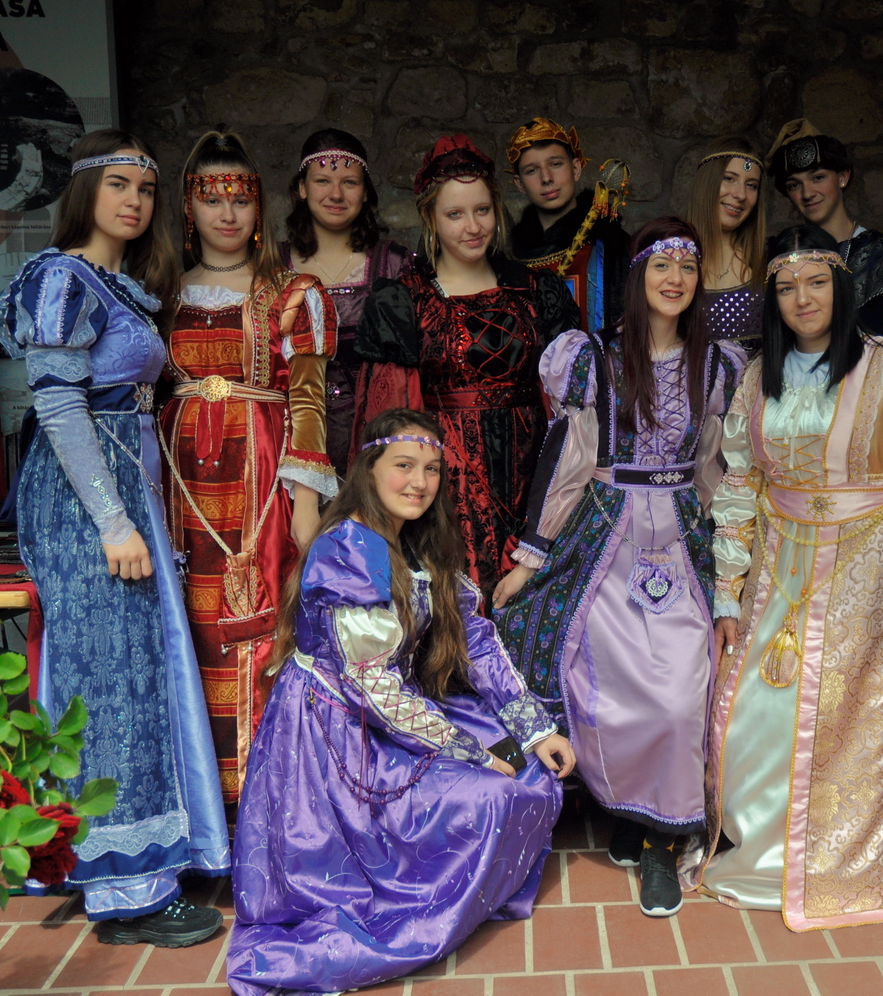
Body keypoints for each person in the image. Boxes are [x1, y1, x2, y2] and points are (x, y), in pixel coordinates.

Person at [226, 409, 575, 995]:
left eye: (432, 469)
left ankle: (459, 886)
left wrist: (535, 729)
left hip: (394, 711)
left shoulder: (418, 537)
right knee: (491, 792)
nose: (419, 482)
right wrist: (468, 751)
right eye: (404, 466)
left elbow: (476, 640)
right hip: (337, 735)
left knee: (532, 770)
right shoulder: (347, 549)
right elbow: (371, 685)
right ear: (369, 468)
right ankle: (423, 898)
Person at [693, 225, 883, 929]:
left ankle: (838, 855)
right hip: (780, 561)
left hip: (868, 561)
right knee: (760, 705)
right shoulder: (760, 376)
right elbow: (740, 484)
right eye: (786, 288)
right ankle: (765, 849)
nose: (803, 299)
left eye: (817, 282)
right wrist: (729, 587)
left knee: (848, 711)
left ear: (842, 287)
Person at [0, 130, 227, 945]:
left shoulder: (114, 284)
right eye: (118, 184)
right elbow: (59, 409)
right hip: (87, 509)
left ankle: (143, 865)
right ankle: (125, 891)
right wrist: (114, 523)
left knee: (133, 675)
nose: (134, 201)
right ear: (84, 191)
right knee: (109, 682)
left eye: (146, 188)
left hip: (125, 497)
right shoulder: (60, 277)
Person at [492, 218, 745, 918]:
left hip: (683, 537)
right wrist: (530, 557)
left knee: (681, 688)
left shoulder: (717, 366)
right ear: (636, 278)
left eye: (687, 268)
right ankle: (632, 816)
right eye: (661, 266)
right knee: (603, 678)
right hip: (607, 533)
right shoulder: (593, 359)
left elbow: (719, 468)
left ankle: (664, 837)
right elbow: (568, 464)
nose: (675, 279)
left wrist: (733, 555)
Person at [162, 130, 338, 808]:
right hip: (179, 483)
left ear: (260, 206)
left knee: (260, 619)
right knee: (189, 622)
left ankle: (267, 796)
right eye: (212, 199)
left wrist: (305, 500)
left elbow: (309, 402)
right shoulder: (160, 293)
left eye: (240, 198)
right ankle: (201, 801)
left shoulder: (292, 293)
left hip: (261, 480)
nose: (227, 213)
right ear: (189, 207)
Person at [355, 135, 580, 597]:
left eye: (482, 210)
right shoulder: (406, 300)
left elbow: (572, 401)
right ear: (431, 218)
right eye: (455, 214)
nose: (473, 226)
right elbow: (389, 415)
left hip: (534, 470)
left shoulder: (537, 291)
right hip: (449, 478)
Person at [281, 128, 409, 475]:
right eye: (322, 181)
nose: (336, 194)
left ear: (365, 192)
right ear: (302, 188)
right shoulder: (274, 267)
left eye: (349, 183)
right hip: (292, 441)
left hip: (375, 438)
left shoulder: (394, 264)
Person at [766, 119, 883, 336]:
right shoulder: (780, 257)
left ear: (843, 177)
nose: (807, 193)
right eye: (794, 185)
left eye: (818, 178)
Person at [506, 117, 631, 335]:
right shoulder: (511, 260)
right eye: (532, 170)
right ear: (519, 184)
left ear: (576, 168)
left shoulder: (615, 248)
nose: (546, 178)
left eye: (556, 164)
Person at [684, 138, 766, 347]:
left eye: (751, 185)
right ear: (707, 183)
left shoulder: (767, 263)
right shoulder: (669, 257)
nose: (740, 195)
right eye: (729, 178)